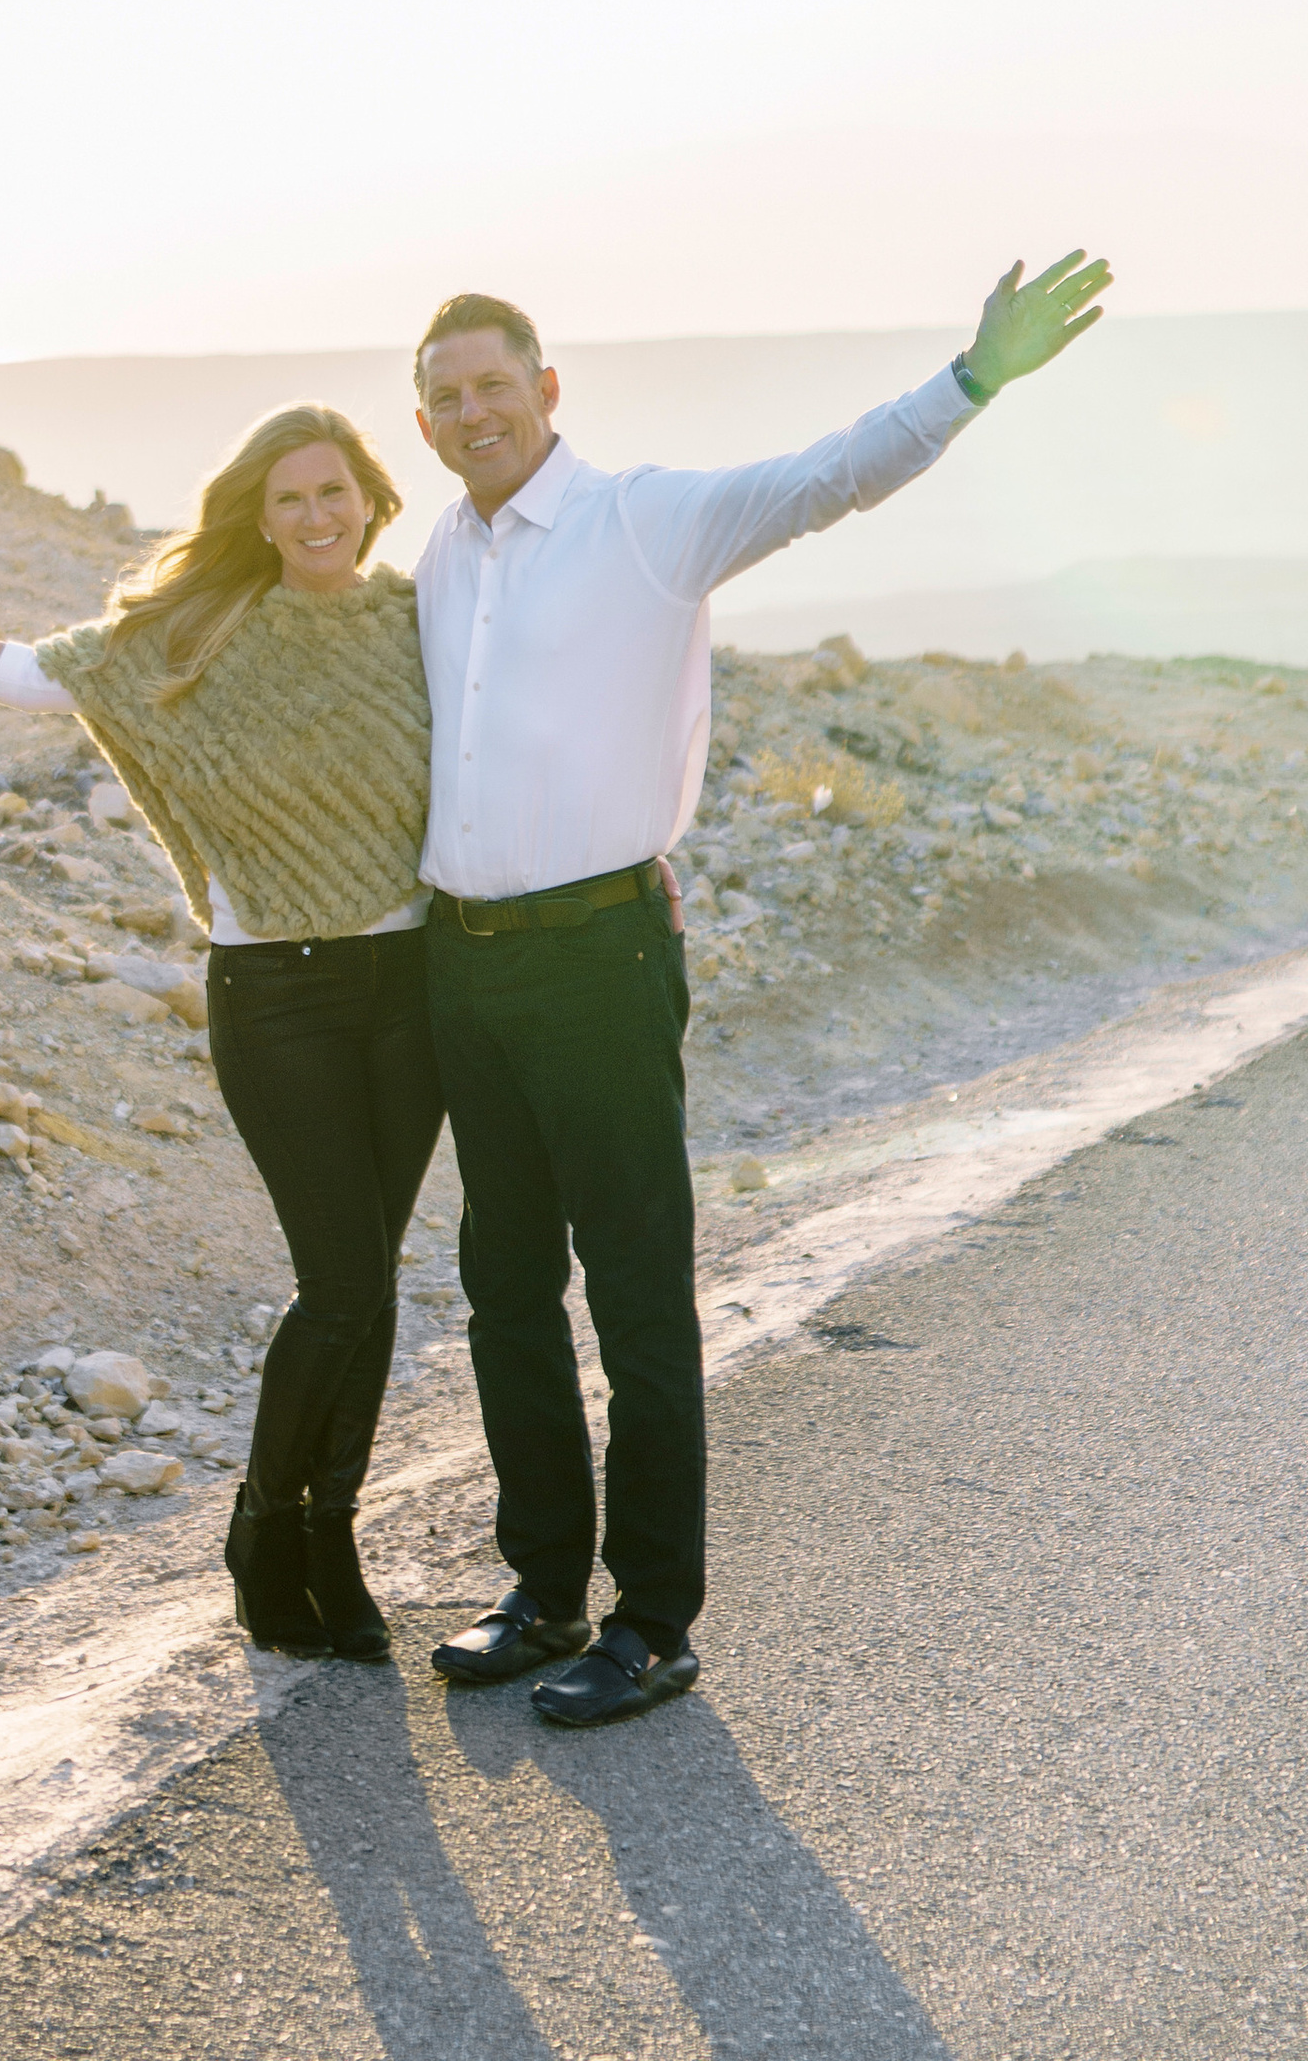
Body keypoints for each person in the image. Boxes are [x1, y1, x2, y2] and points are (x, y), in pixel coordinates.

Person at [413, 250, 1111, 1730]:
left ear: (547, 391)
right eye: (445, 396)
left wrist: (973, 378)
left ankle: (651, 1621)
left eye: (494, 385)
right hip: (461, 966)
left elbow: (825, 477)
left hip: (598, 956)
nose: (474, 412)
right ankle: (544, 1590)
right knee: (505, 1295)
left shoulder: (643, 519)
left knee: (638, 1292)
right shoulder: (440, 559)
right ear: (424, 423)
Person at [0, 403, 440, 1664]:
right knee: (337, 1287)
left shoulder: (418, 624)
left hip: (411, 988)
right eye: (289, 500)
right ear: (255, 519)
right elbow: (20, 676)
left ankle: (336, 1536)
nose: (317, 516)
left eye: (335, 492)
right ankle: (264, 1529)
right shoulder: (190, 632)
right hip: (279, 998)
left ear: (373, 498)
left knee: (374, 1293)